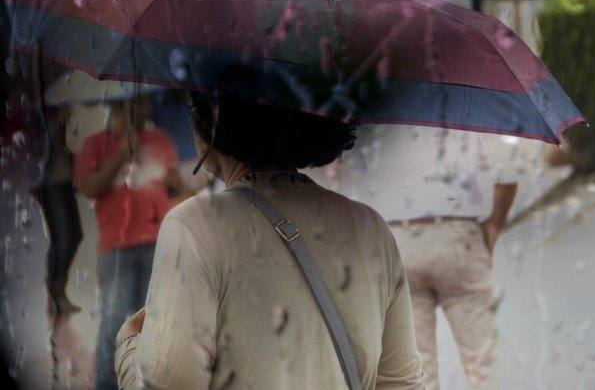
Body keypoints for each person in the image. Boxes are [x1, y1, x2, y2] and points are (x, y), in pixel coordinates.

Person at [113, 85, 425, 388]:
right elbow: (402, 383)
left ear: (211, 128)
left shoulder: (194, 225)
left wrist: (128, 349)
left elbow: (166, 383)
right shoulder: (371, 228)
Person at [329, 125, 524, 390]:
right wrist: (494, 225)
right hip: (458, 234)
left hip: (395, 240)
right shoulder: (467, 107)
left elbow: (343, 177)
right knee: (483, 363)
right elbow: (508, 173)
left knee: (416, 367)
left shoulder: (377, 110)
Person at [73, 96, 185, 390]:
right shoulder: (95, 144)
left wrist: (174, 183)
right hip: (117, 249)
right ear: (114, 108)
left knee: (153, 320)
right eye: (128, 105)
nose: (137, 110)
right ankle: (107, 386)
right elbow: (89, 188)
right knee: (113, 324)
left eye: (142, 103)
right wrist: (122, 154)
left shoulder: (161, 139)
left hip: (157, 244)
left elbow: (171, 189)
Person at [33, 104, 83, 317]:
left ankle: (56, 291)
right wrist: (55, 123)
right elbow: (37, 147)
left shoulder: (59, 118)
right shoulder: (40, 113)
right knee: (64, 238)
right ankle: (54, 292)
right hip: (50, 182)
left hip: (61, 179)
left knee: (72, 235)